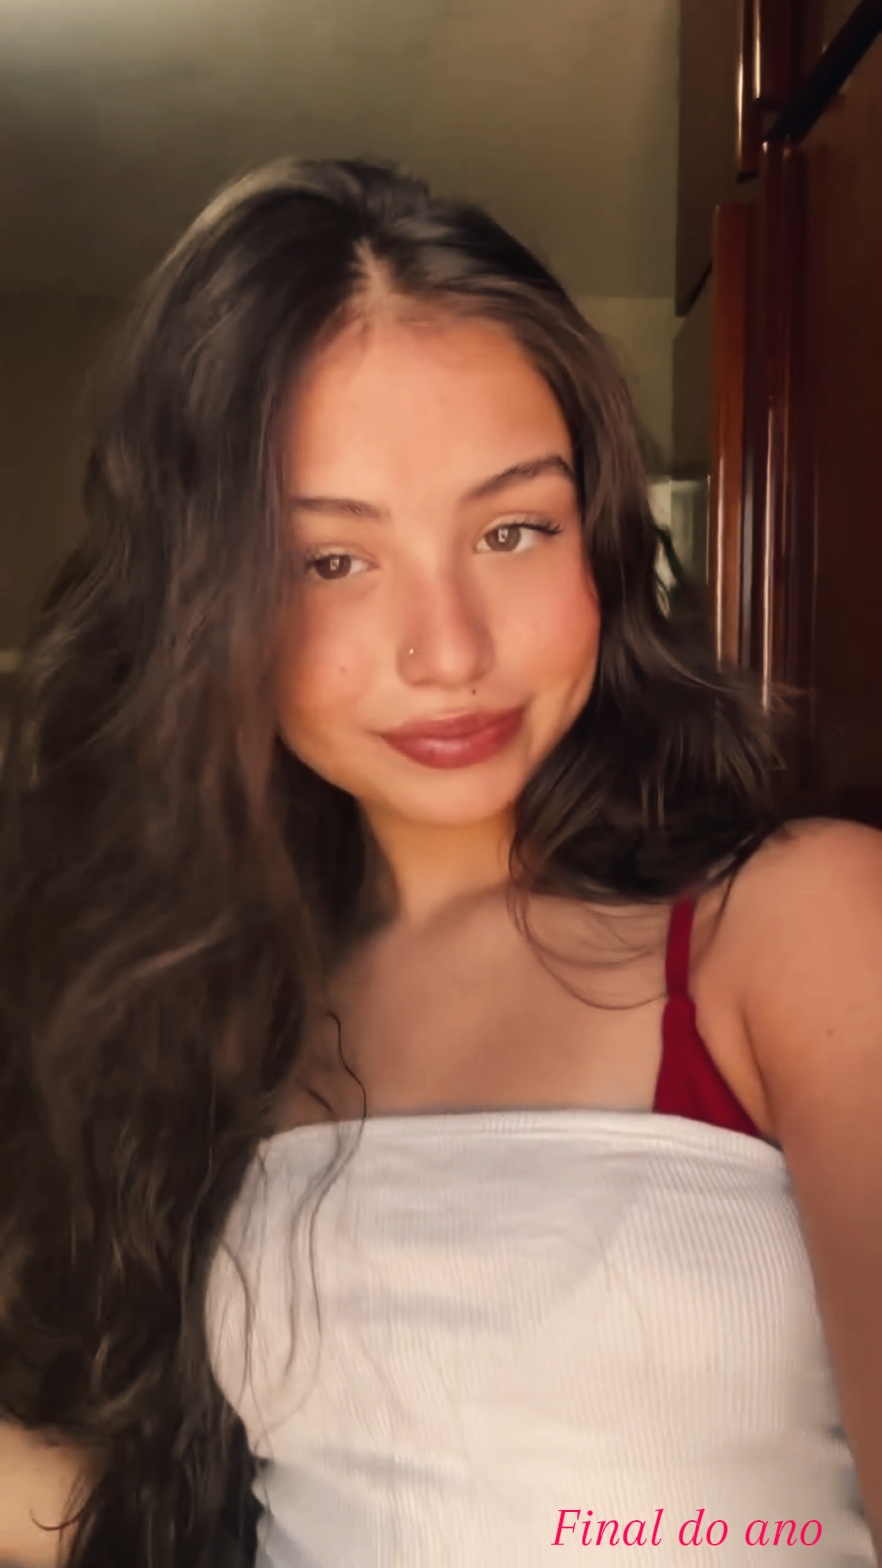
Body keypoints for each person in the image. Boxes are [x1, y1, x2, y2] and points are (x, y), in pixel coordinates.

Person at [0, 158, 880, 1568]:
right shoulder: (212, 1005)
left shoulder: (788, 926)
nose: (450, 650)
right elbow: (142, 1500)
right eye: (329, 562)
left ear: (598, 535)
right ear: (200, 604)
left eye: (511, 530)